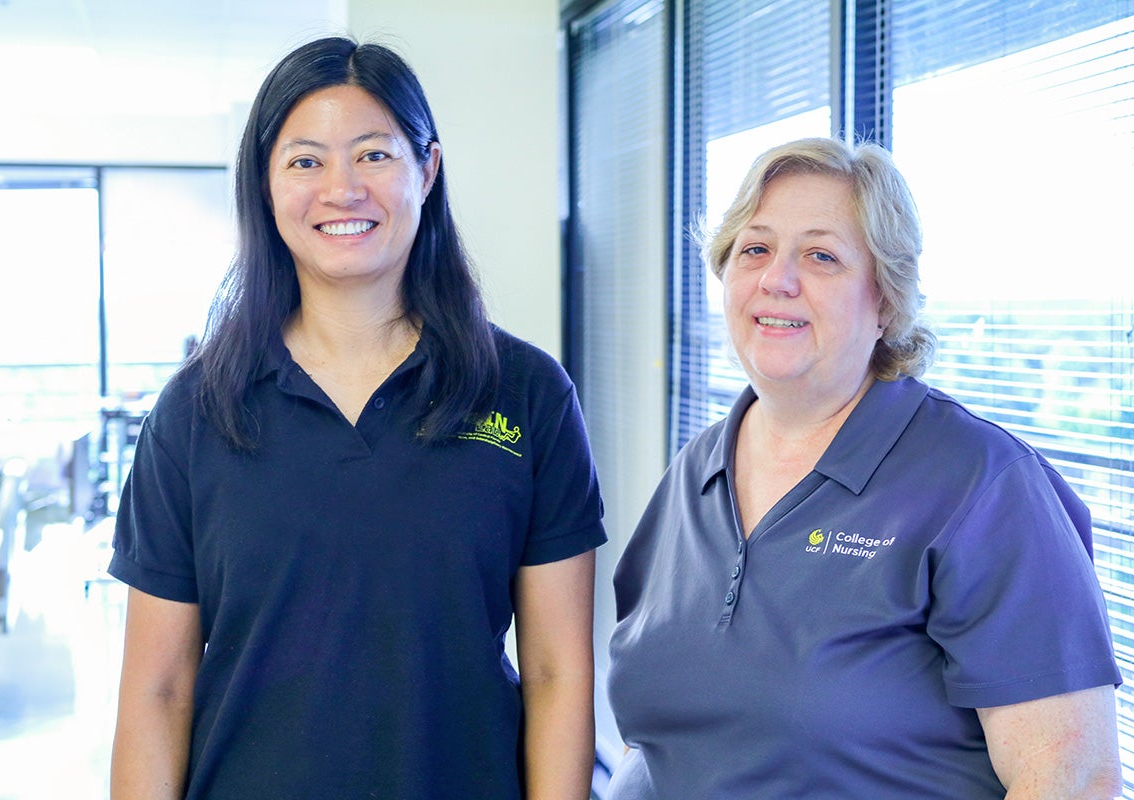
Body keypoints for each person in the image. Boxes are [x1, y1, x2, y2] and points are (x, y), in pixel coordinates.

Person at [108, 36, 605, 800]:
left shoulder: (527, 394)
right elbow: (158, 690)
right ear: (266, 186)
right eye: (305, 161)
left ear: (427, 169)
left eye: (374, 154)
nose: (342, 189)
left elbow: (556, 673)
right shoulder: (197, 411)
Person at [605, 137, 1122, 798]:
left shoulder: (981, 483)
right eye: (754, 249)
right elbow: (659, 733)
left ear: (885, 300)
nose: (778, 279)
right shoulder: (694, 472)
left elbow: (1071, 777)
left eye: (821, 256)